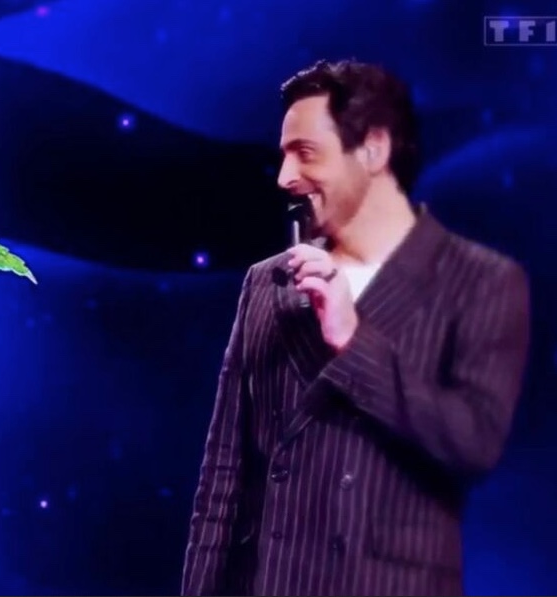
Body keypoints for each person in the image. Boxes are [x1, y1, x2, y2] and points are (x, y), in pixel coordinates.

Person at [180, 59, 532, 596]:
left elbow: (472, 445)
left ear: (373, 150)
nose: (284, 177)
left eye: (305, 153)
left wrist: (352, 340)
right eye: (283, 155)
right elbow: (223, 478)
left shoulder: (479, 282)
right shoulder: (267, 283)